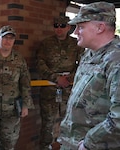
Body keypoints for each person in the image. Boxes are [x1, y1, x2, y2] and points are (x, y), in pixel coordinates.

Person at [58, 2, 120, 150]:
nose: (75, 32)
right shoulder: (89, 54)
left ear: (100, 27)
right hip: (72, 141)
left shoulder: (116, 60)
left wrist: (89, 142)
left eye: (81, 27)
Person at [36, 16, 84, 150]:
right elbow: (40, 63)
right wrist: (56, 78)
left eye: (62, 26)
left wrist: (68, 79)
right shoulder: (46, 43)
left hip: (68, 89)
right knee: (47, 124)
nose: (59, 28)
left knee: (69, 121)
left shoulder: (77, 44)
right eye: (56, 25)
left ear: (68, 27)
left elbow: (83, 64)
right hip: (49, 89)